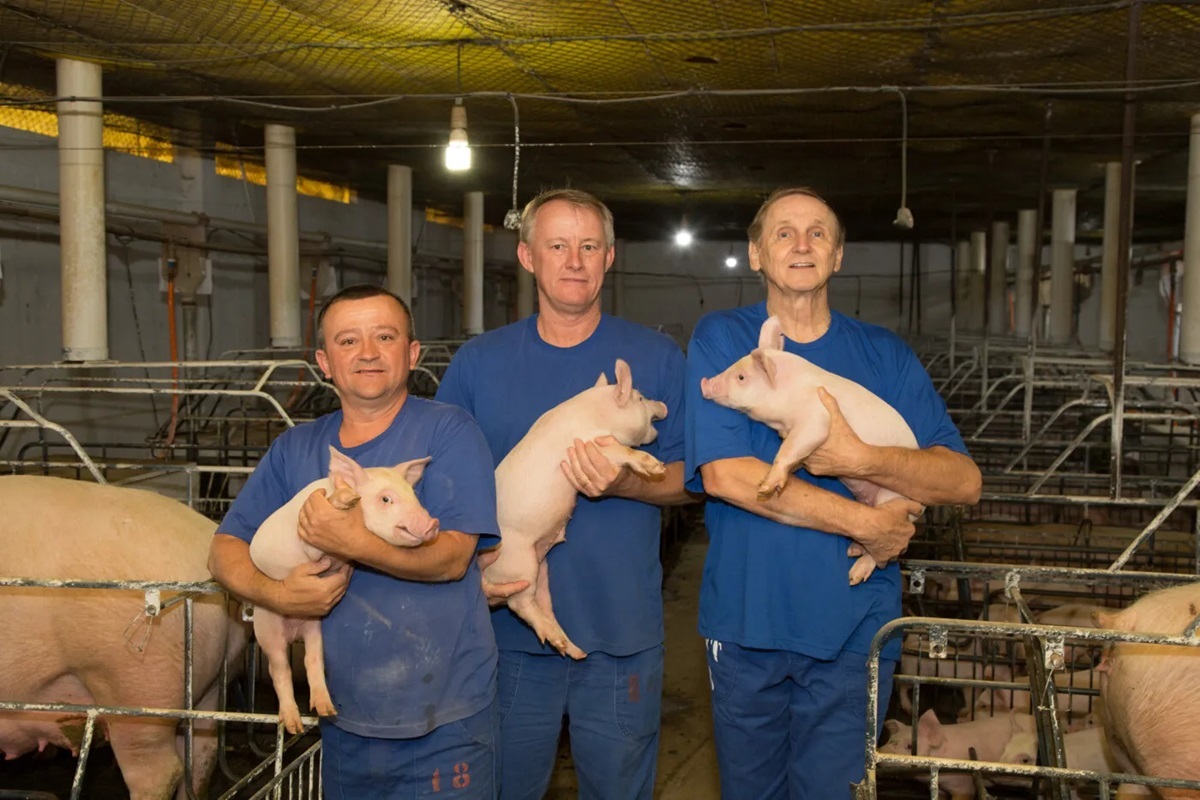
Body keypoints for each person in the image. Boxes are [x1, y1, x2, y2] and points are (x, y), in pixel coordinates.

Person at [684, 187, 982, 799]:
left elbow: (963, 481)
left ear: (839, 255)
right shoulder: (724, 339)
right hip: (747, 621)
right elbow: (725, 476)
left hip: (854, 631)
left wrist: (862, 459)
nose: (802, 244)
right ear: (755, 253)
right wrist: (864, 522)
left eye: (818, 232)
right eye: (784, 232)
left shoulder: (885, 355)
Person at [435, 188, 693, 800]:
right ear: (527, 256)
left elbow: (695, 479)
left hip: (620, 632)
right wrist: (464, 573)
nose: (574, 261)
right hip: (506, 631)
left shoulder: (657, 357)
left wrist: (625, 481)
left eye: (589, 247)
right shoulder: (478, 363)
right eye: (557, 246)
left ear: (610, 258)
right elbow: (443, 490)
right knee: (504, 789)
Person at [208, 284, 503, 799]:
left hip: (446, 718)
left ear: (412, 353)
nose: (367, 352)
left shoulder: (450, 433)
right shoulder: (295, 449)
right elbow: (223, 551)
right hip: (342, 718)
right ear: (324, 362)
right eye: (348, 341)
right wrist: (278, 594)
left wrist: (351, 540)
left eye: (385, 337)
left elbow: (454, 557)